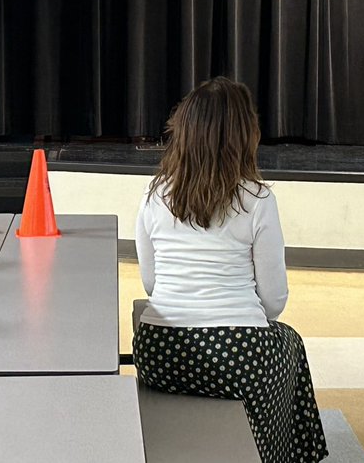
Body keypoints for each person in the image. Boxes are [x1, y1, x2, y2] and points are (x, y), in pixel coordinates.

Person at [133, 77, 328, 463]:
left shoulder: (154, 195)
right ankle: (276, 453)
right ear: (244, 136)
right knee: (290, 343)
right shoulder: (257, 198)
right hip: (238, 356)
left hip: (159, 352)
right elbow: (274, 301)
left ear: (183, 132)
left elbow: (151, 284)